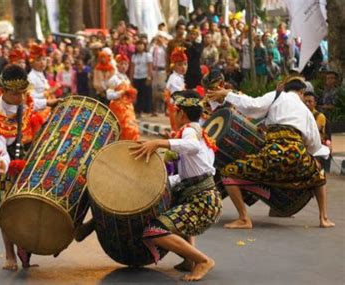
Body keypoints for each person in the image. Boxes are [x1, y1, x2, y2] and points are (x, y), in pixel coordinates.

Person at [207, 76, 335, 229]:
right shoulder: (306, 111)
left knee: (228, 173)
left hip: (273, 156)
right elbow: (314, 145)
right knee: (319, 174)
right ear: (301, 92)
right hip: (298, 157)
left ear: (285, 88)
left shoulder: (277, 96)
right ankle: (324, 218)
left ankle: (244, 218)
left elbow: (251, 105)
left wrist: (228, 94)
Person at [130, 90, 222, 282]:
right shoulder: (199, 132)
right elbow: (187, 174)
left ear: (181, 113)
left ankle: (203, 261)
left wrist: (159, 143)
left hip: (202, 201)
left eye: (175, 111)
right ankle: (190, 260)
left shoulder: (190, 130)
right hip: (205, 198)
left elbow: (192, 147)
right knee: (177, 207)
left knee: (154, 231)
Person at [0, 64, 61, 271]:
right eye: (16, 94)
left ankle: (25, 245)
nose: (20, 98)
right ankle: (9, 255)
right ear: (3, 92)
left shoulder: (24, 100)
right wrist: (3, 166)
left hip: (22, 150)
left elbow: (34, 104)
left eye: (22, 93)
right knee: (8, 204)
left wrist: (52, 102)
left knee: (28, 198)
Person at [106, 54, 139, 140]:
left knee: (132, 128)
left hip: (128, 108)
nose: (124, 66)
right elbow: (109, 95)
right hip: (118, 108)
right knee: (122, 129)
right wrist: (121, 93)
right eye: (121, 64)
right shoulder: (114, 79)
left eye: (125, 64)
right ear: (117, 65)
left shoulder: (126, 79)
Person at [27, 44, 60, 123]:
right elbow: (30, 97)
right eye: (38, 60)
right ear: (31, 63)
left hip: (47, 109)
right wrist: (49, 92)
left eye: (44, 59)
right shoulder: (30, 78)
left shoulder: (41, 73)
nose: (42, 62)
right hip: (39, 112)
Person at [304, 92, 332, 172]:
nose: (307, 103)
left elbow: (313, 131)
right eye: (305, 101)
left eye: (310, 101)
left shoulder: (319, 116)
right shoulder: (301, 114)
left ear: (315, 103)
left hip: (317, 150)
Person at [165, 47, 188, 131]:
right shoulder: (174, 78)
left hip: (178, 107)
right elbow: (178, 95)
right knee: (178, 130)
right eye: (180, 64)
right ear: (173, 66)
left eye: (185, 64)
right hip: (176, 108)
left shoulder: (178, 77)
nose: (183, 67)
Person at [130, 40, 153, 116]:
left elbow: (150, 67)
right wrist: (131, 79)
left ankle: (147, 111)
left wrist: (149, 77)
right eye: (138, 45)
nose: (140, 46)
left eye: (141, 44)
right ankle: (138, 111)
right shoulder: (134, 56)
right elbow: (132, 68)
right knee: (138, 95)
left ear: (144, 46)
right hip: (136, 77)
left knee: (146, 94)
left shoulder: (147, 55)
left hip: (145, 77)